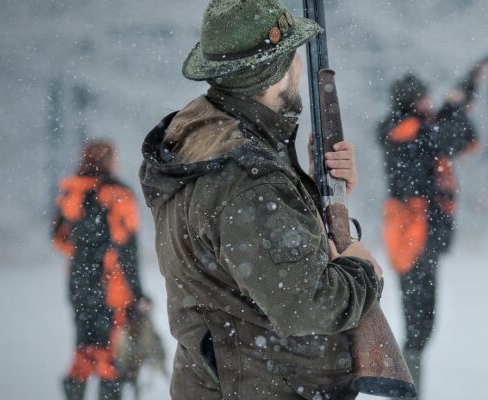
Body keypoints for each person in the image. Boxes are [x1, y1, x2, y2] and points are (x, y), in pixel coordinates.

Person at [138, 1, 384, 399]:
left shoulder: (207, 137)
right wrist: (363, 269)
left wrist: (311, 188)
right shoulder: (249, 181)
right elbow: (311, 303)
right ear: (276, 74)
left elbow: (247, 257)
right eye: (293, 56)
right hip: (265, 387)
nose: (300, 68)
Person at [378, 61, 488, 396]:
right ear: (411, 103)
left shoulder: (415, 129)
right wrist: (457, 103)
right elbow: (451, 133)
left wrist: (463, 95)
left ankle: (409, 390)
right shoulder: (404, 130)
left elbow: (458, 136)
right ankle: (407, 392)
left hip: (419, 238)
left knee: (422, 326)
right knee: (418, 327)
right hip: (411, 238)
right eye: (424, 99)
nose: (430, 104)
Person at [52, 139, 147, 400]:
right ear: (110, 160)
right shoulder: (119, 194)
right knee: (111, 354)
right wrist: (138, 294)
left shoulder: (71, 191)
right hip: (112, 288)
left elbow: (58, 237)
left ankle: (74, 392)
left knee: (84, 348)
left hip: (79, 284)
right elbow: (128, 247)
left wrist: (84, 256)